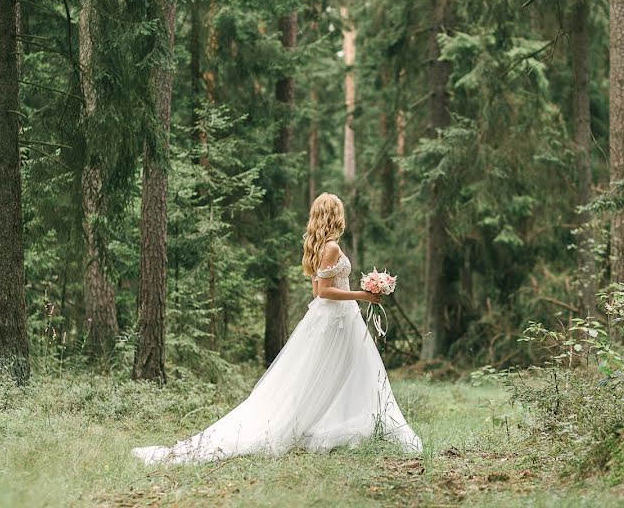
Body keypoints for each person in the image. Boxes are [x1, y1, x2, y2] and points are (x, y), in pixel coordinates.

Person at [131, 192, 422, 464]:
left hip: (337, 317)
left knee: (341, 372)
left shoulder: (322, 246)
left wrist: (361, 293)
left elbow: (320, 290)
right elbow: (322, 292)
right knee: (336, 371)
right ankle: (332, 424)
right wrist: (362, 295)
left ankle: (342, 419)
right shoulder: (331, 248)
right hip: (335, 317)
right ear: (335, 215)